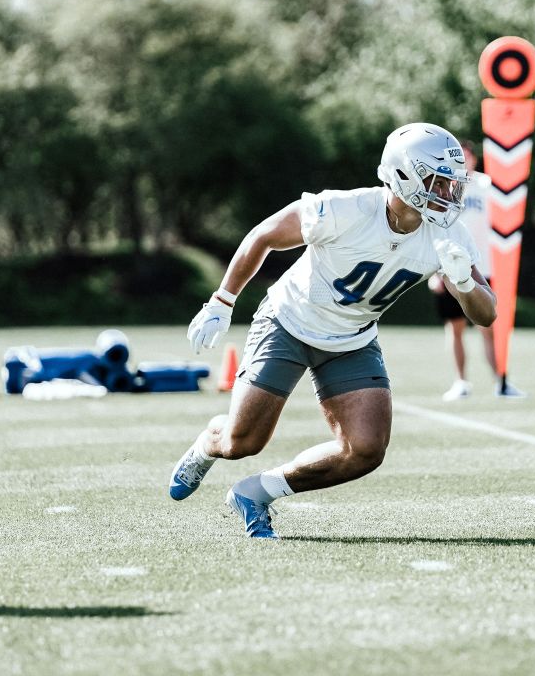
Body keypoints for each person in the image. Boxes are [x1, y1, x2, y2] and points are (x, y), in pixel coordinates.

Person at [167, 123, 497, 538]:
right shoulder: (345, 209)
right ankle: (208, 442)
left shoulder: (448, 232)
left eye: (453, 184)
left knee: (365, 450)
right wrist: (222, 300)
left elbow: (486, 315)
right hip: (289, 322)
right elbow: (264, 235)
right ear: (404, 175)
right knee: (242, 442)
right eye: (439, 181)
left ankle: (256, 492)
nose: (449, 194)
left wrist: (464, 284)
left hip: (353, 339)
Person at [428, 139, 525, 400]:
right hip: (449, 267)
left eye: (467, 155)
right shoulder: (442, 186)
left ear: (474, 158)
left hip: (484, 267)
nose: (464, 160)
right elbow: (433, 228)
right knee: (455, 328)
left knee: (490, 327)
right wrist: (436, 272)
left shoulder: (487, 185)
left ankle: (500, 382)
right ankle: (460, 382)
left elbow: (505, 220)